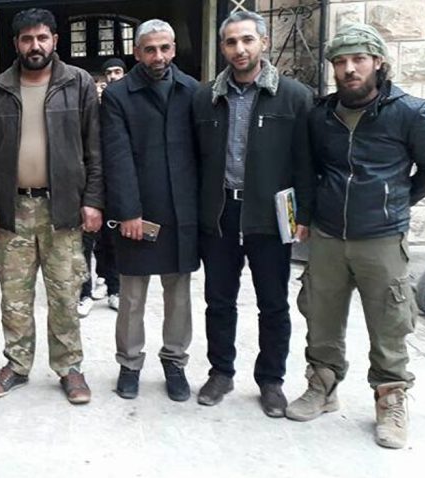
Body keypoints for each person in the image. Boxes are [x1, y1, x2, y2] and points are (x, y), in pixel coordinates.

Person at [286, 23, 425, 449]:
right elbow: (306, 170)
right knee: (320, 315)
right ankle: (322, 385)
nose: (349, 69)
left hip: (381, 238)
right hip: (327, 236)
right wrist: (305, 214)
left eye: (358, 59)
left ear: (378, 62)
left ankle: (391, 398)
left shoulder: (411, 112)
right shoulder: (320, 115)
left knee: (390, 322)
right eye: (340, 62)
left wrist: (396, 203)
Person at [191, 11, 314, 417]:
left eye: (247, 40)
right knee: (218, 300)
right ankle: (221, 372)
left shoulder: (294, 96)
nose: (239, 49)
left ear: (262, 42)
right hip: (222, 212)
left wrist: (304, 217)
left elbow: (305, 162)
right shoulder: (206, 96)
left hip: (272, 214)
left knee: (274, 303)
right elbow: (194, 159)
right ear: (223, 47)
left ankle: (271, 380)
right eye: (230, 42)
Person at [0, 8, 103, 404]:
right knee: (14, 296)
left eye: (43, 38)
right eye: (27, 39)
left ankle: (70, 369)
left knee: (65, 293)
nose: (36, 46)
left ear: (55, 40)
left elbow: (94, 150)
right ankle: (16, 365)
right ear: (16, 43)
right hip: (14, 208)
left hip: (62, 209)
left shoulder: (78, 83)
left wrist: (94, 201)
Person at [102, 19, 199, 402]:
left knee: (179, 295)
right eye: (149, 49)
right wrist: (127, 211)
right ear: (137, 52)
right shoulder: (118, 95)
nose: (158, 56)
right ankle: (129, 363)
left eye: (164, 48)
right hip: (137, 212)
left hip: (181, 210)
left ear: (174, 49)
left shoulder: (193, 91)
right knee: (132, 297)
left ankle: (174, 362)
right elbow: (117, 156)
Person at [78, 58, 126, 316]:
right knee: (84, 244)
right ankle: (84, 293)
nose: (112, 78)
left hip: (114, 186)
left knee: (113, 241)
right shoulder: (84, 110)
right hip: (86, 186)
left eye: (118, 71)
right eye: (107, 74)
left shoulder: (123, 107)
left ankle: (114, 288)